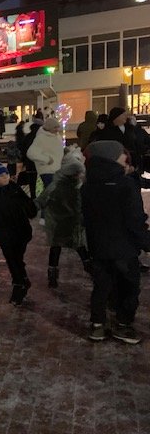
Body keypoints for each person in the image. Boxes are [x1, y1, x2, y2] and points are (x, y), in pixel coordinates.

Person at [82, 141, 150, 344]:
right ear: (111, 158)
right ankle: (122, 324)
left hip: (98, 246)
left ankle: (97, 325)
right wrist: (146, 242)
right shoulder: (126, 185)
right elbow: (134, 220)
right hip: (124, 248)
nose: (126, 157)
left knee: (101, 286)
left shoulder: (87, 186)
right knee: (129, 287)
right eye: (122, 154)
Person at [0, 159, 38, 306]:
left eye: (6, 173)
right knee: (12, 258)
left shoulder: (13, 187)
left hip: (21, 229)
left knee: (17, 257)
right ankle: (19, 284)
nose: (6, 177)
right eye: (1, 176)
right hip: (4, 233)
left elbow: (26, 201)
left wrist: (31, 209)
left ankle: (22, 279)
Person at [35, 146, 91, 288]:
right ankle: (91, 271)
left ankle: (53, 275)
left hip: (59, 224)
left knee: (57, 249)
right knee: (79, 248)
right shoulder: (78, 187)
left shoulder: (58, 185)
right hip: (70, 224)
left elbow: (41, 201)